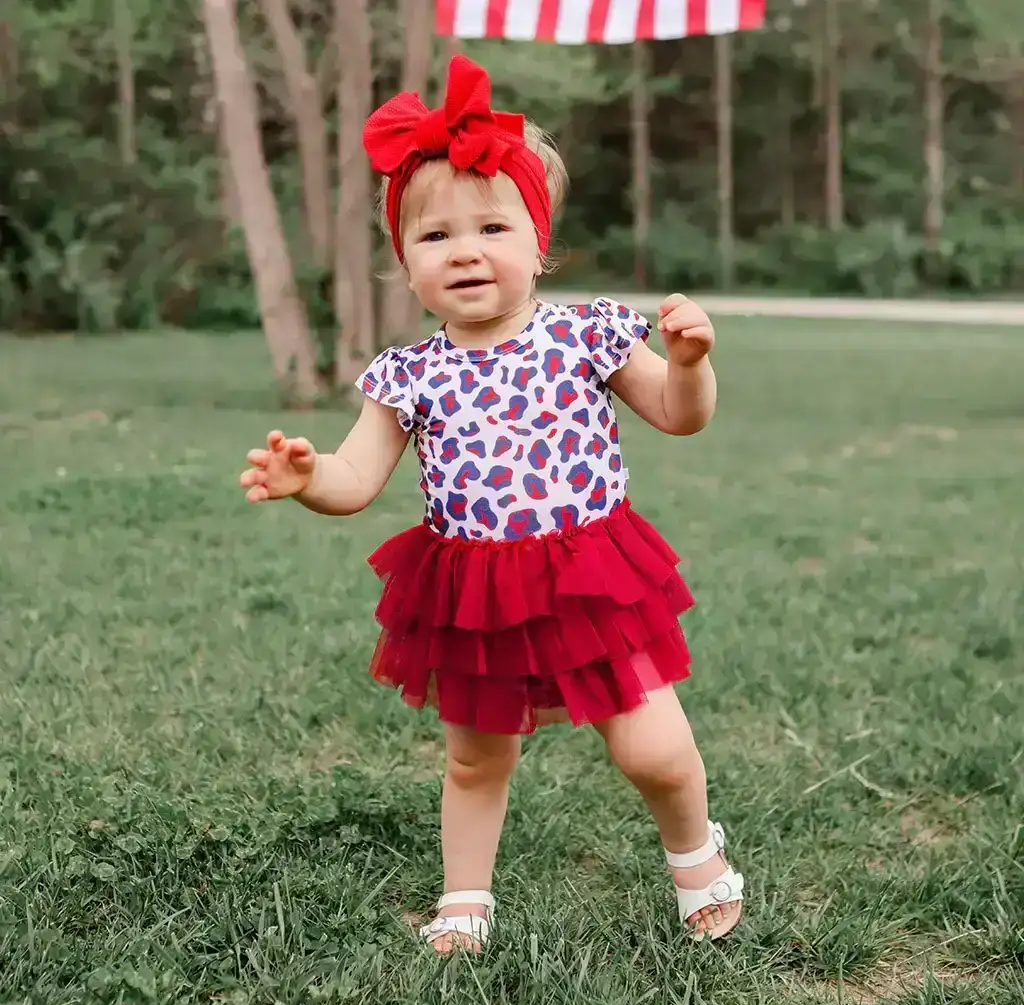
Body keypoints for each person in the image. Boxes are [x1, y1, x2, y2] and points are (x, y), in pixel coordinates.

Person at [239, 54, 744, 953]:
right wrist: (310, 477)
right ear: (405, 262)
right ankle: (466, 895)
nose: (466, 250)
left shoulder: (588, 334)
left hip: (592, 575)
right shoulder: (408, 373)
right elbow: (357, 481)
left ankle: (697, 853)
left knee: (652, 750)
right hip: (475, 593)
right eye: (434, 238)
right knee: (477, 758)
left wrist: (694, 367)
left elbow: (677, 416)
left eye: (493, 228)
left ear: (537, 243)